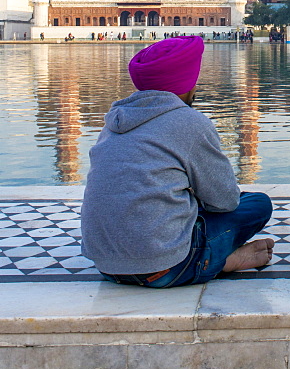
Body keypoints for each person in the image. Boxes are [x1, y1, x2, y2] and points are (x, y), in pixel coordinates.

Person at [81, 36, 273, 287]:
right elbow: (225, 201)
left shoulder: (114, 121)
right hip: (167, 267)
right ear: (186, 83)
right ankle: (217, 261)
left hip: (107, 266)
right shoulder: (189, 122)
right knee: (257, 204)